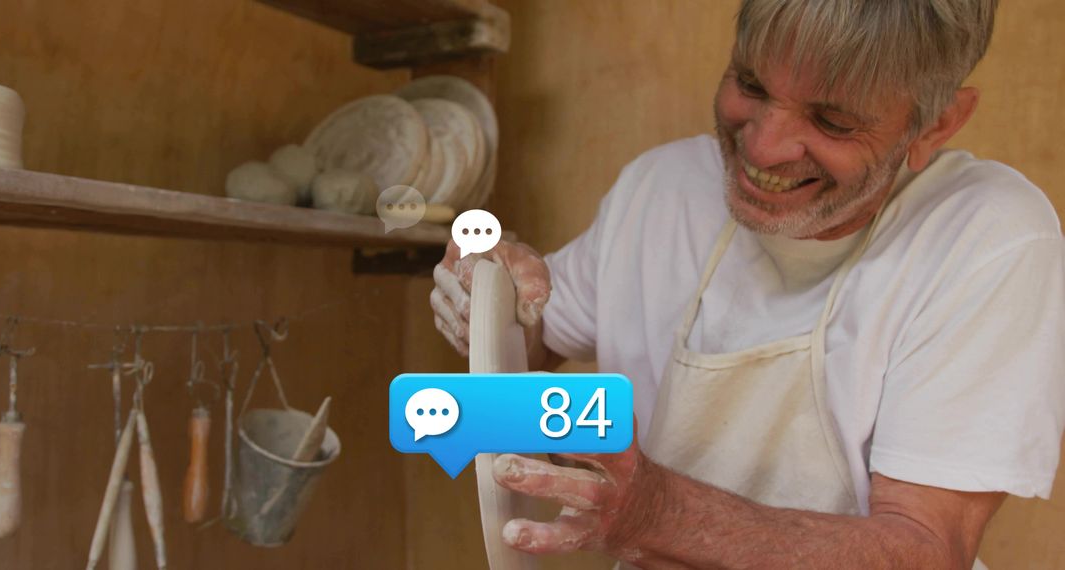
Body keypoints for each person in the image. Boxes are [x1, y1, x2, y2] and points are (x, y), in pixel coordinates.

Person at [430, 1, 1065, 567]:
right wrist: (494, 299)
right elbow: (528, 353)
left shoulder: (987, 235)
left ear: (935, 126)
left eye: (833, 121)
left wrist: (656, 513)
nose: (763, 148)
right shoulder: (661, 189)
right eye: (751, 83)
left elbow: (928, 549)